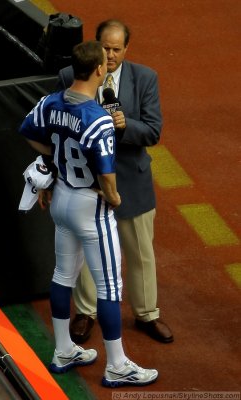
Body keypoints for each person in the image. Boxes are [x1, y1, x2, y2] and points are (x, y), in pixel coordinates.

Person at [19, 40, 158, 388]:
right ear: (99, 69)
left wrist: (57, 157)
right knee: (109, 285)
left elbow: (28, 132)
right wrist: (113, 196)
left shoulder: (50, 102)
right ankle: (117, 365)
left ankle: (64, 349)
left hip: (62, 197)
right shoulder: (98, 118)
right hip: (89, 204)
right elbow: (107, 174)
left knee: (63, 274)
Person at [54, 19, 174, 345]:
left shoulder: (145, 79)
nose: (109, 55)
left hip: (132, 183)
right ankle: (86, 312)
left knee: (139, 252)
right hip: (89, 182)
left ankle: (147, 313)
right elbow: (57, 127)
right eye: (105, 48)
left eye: (116, 49)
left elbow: (153, 130)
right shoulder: (69, 77)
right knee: (85, 249)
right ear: (96, 44)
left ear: (126, 49)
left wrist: (125, 126)